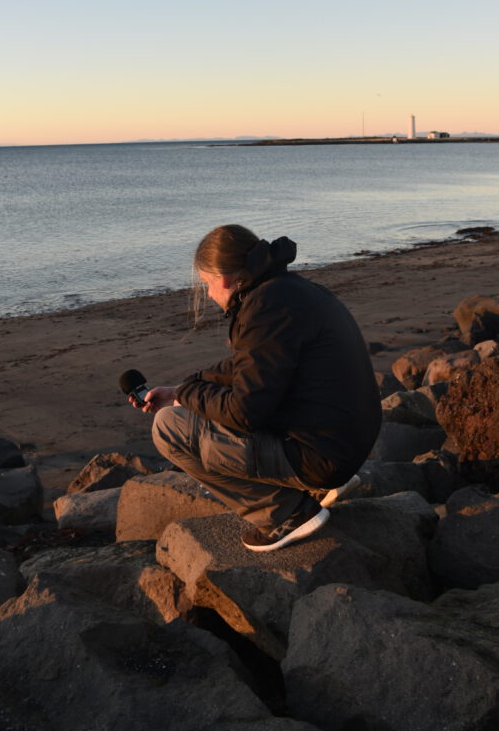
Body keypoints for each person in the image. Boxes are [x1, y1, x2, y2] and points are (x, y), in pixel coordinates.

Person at [131, 224, 382, 553]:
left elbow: (245, 411)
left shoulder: (265, 308)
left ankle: (287, 513)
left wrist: (186, 399)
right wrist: (181, 390)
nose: (207, 293)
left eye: (206, 283)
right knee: (192, 408)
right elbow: (249, 368)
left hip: (325, 455)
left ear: (222, 278)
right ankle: (311, 492)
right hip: (346, 441)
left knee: (169, 428)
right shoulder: (284, 290)